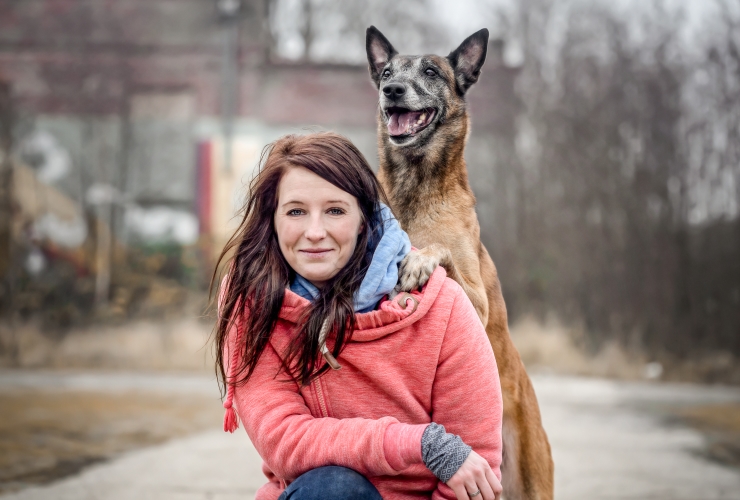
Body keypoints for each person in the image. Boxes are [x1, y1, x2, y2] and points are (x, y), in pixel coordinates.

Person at [213, 132, 503, 500]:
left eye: (335, 210)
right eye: (296, 211)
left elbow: (477, 468)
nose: (314, 232)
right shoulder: (252, 302)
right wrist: (423, 444)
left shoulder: (441, 304)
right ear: (272, 219)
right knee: (335, 487)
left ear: (365, 219)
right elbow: (285, 441)